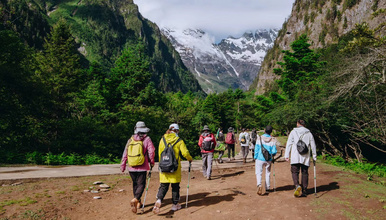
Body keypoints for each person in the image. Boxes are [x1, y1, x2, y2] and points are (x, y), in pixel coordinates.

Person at [153, 123, 193, 214]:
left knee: (163, 185)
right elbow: (185, 153)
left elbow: (160, 153)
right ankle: (175, 205)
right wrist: (190, 159)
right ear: (177, 131)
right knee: (175, 186)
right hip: (174, 167)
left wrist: (162, 164)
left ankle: (159, 200)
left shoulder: (162, 139)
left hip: (164, 166)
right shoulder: (179, 140)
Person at [120, 121, 155, 214]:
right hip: (142, 166)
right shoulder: (147, 139)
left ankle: (138, 202)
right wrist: (152, 161)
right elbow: (151, 151)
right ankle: (136, 199)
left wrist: (123, 165)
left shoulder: (130, 139)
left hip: (131, 166)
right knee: (141, 184)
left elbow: (125, 153)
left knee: (135, 184)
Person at [285, 119, 317, 197]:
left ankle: (297, 185)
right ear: (304, 124)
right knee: (304, 172)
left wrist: (286, 155)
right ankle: (304, 190)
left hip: (295, 155)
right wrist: (314, 156)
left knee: (294, 171)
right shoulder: (309, 133)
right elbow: (313, 145)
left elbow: (289, 143)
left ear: (298, 124)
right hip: (305, 156)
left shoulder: (293, 132)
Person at [254, 125, 277, 195]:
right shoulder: (272, 139)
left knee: (259, 172)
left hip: (260, 158)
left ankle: (259, 185)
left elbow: (256, 149)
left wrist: (255, 157)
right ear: (271, 131)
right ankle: (267, 188)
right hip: (268, 159)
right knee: (268, 173)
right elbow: (274, 151)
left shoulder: (259, 138)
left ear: (264, 130)